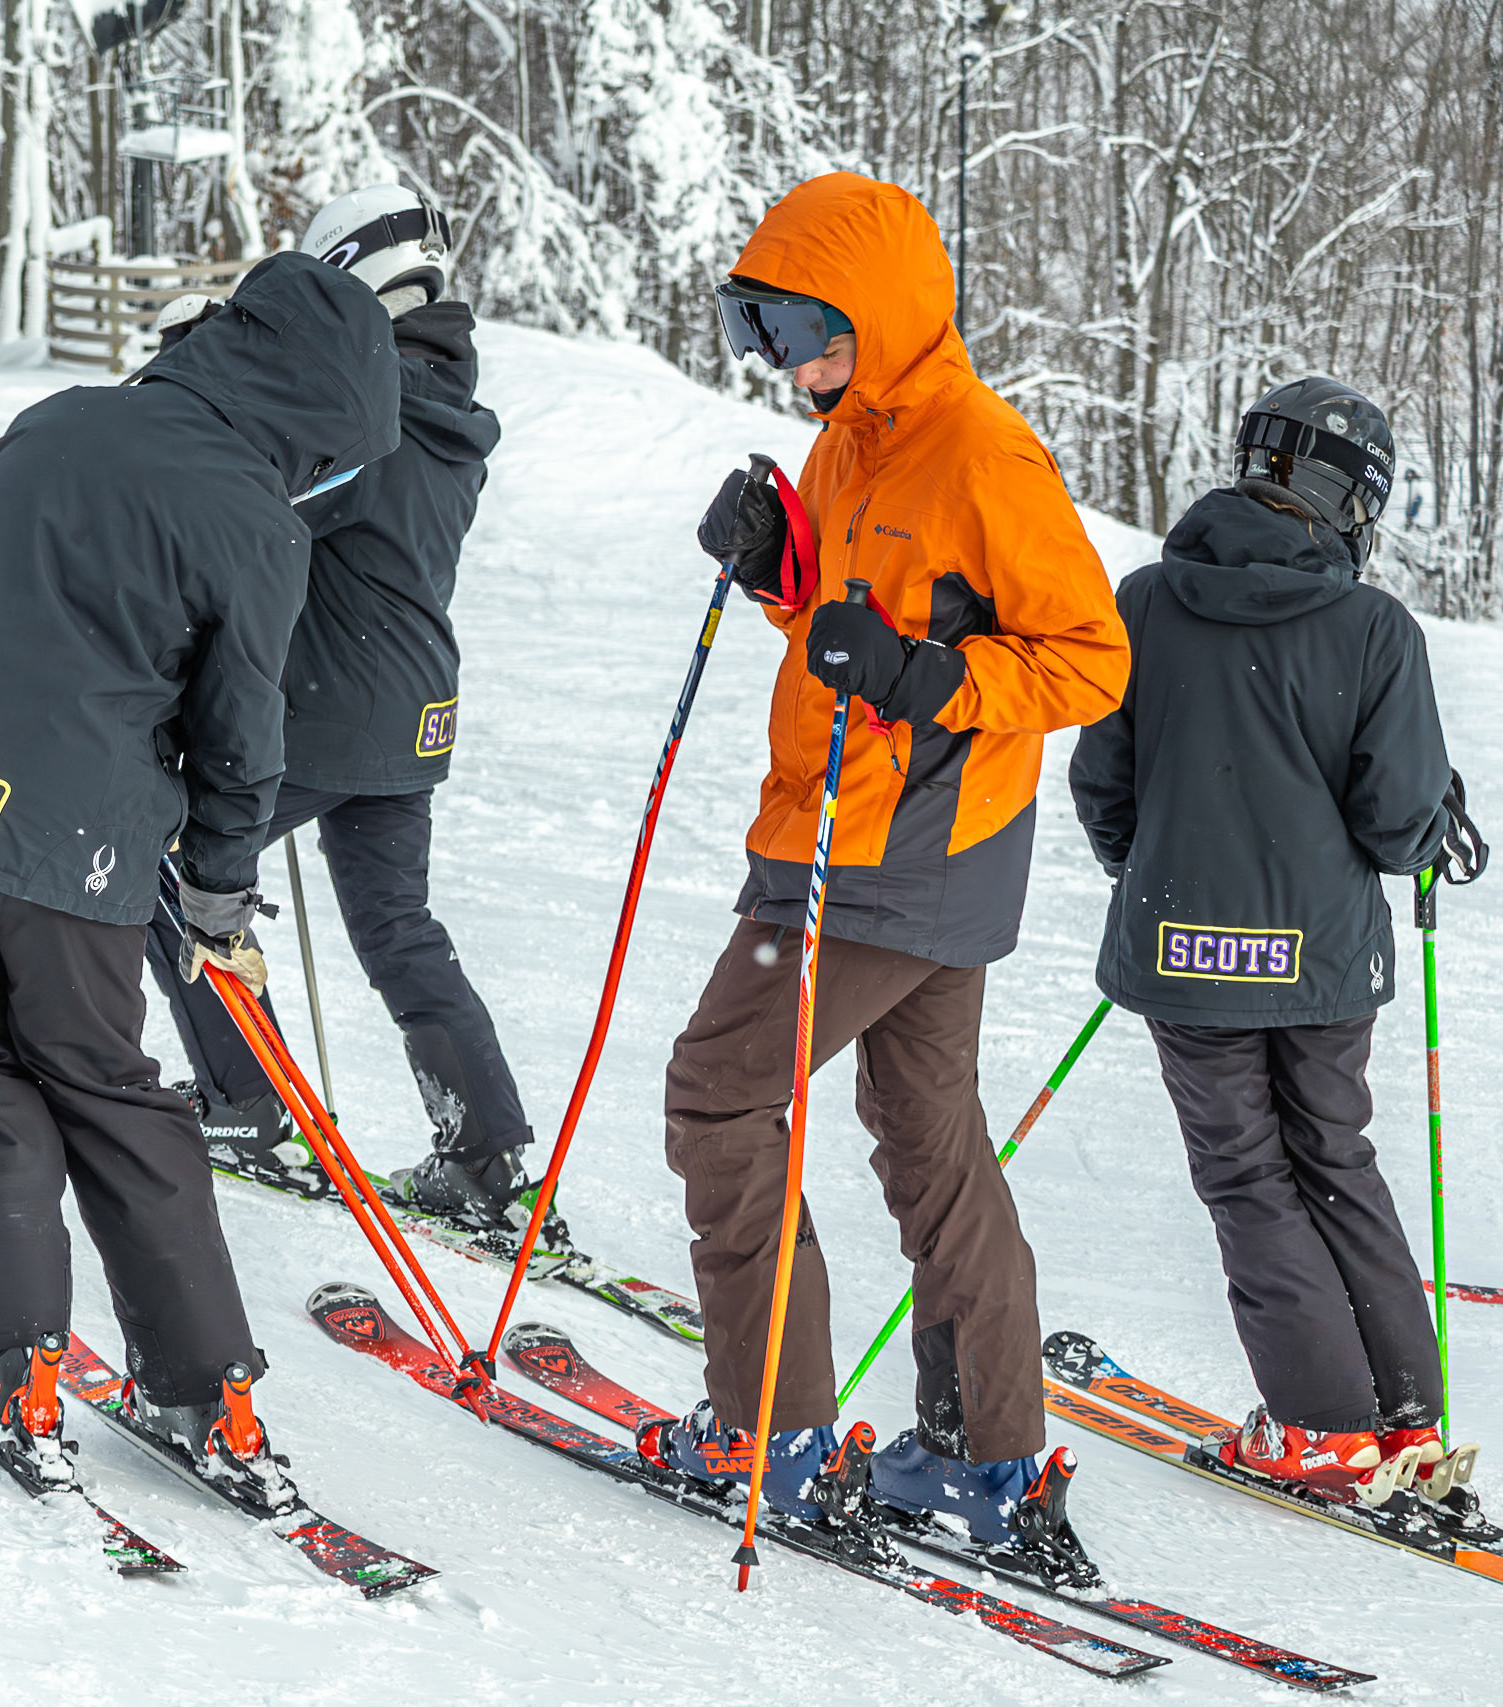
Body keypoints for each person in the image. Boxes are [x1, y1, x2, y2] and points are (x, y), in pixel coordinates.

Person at [0, 251, 399, 1499]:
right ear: (315, 414)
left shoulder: (62, 417)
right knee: (108, 1087)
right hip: (64, 837)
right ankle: (204, 1390)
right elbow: (243, 738)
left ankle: (8, 1366)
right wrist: (222, 892)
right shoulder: (255, 518)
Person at [642, 172, 1131, 1544]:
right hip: (876, 840)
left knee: (717, 1094)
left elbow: (1089, 657)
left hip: (885, 854)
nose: (787, 361)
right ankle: (987, 1453)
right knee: (926, 1138)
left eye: (805, 328)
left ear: (883, 311)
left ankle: (770, 1432)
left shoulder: (981, 452)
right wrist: (776, 579)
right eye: (765, 333)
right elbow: (848, 633)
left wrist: (928, 676)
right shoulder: (848, 447)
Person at [1069, 377, 1483, 1503]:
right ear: (1351, 500)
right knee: (1334, 1161)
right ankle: (1393, 1417)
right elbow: (1401, 824)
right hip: (1322, 963)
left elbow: (1103, 779)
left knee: (1250, 1177)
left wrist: (1153, 875)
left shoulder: (1148, 601)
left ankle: (1329, 1424)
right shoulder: (1370, 628)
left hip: (1186, 952)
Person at [142, 184, 536, 1232]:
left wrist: (197, 387)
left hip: (332, 703)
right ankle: (487, 1154)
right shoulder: (443, 400)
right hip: (411, 709)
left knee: (170, 869)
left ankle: (245, 1103)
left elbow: (253, 498)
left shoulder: (374, 409)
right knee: (399, 927)